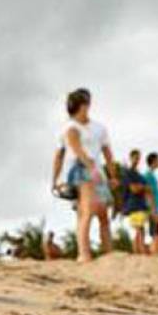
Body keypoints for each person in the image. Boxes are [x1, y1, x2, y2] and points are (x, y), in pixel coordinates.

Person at [48, 88, 114, 264]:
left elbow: (108, 153)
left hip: (97, 171)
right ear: (82, 105)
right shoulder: (70, 128)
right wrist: (54, 180)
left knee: (103, 214)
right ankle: (84, 255)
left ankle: (108, 254)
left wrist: (112, 175)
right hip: (80, 169)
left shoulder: (100, 128)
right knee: (86, 211)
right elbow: (68, 151)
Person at [143, 151, 158, 257]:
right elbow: (147, 194)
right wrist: (153, 210)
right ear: (153, 161)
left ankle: (157, 253)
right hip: (155, 209)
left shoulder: (153, 175)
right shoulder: (148, 175)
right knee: (155, 233)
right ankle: (155, 254)